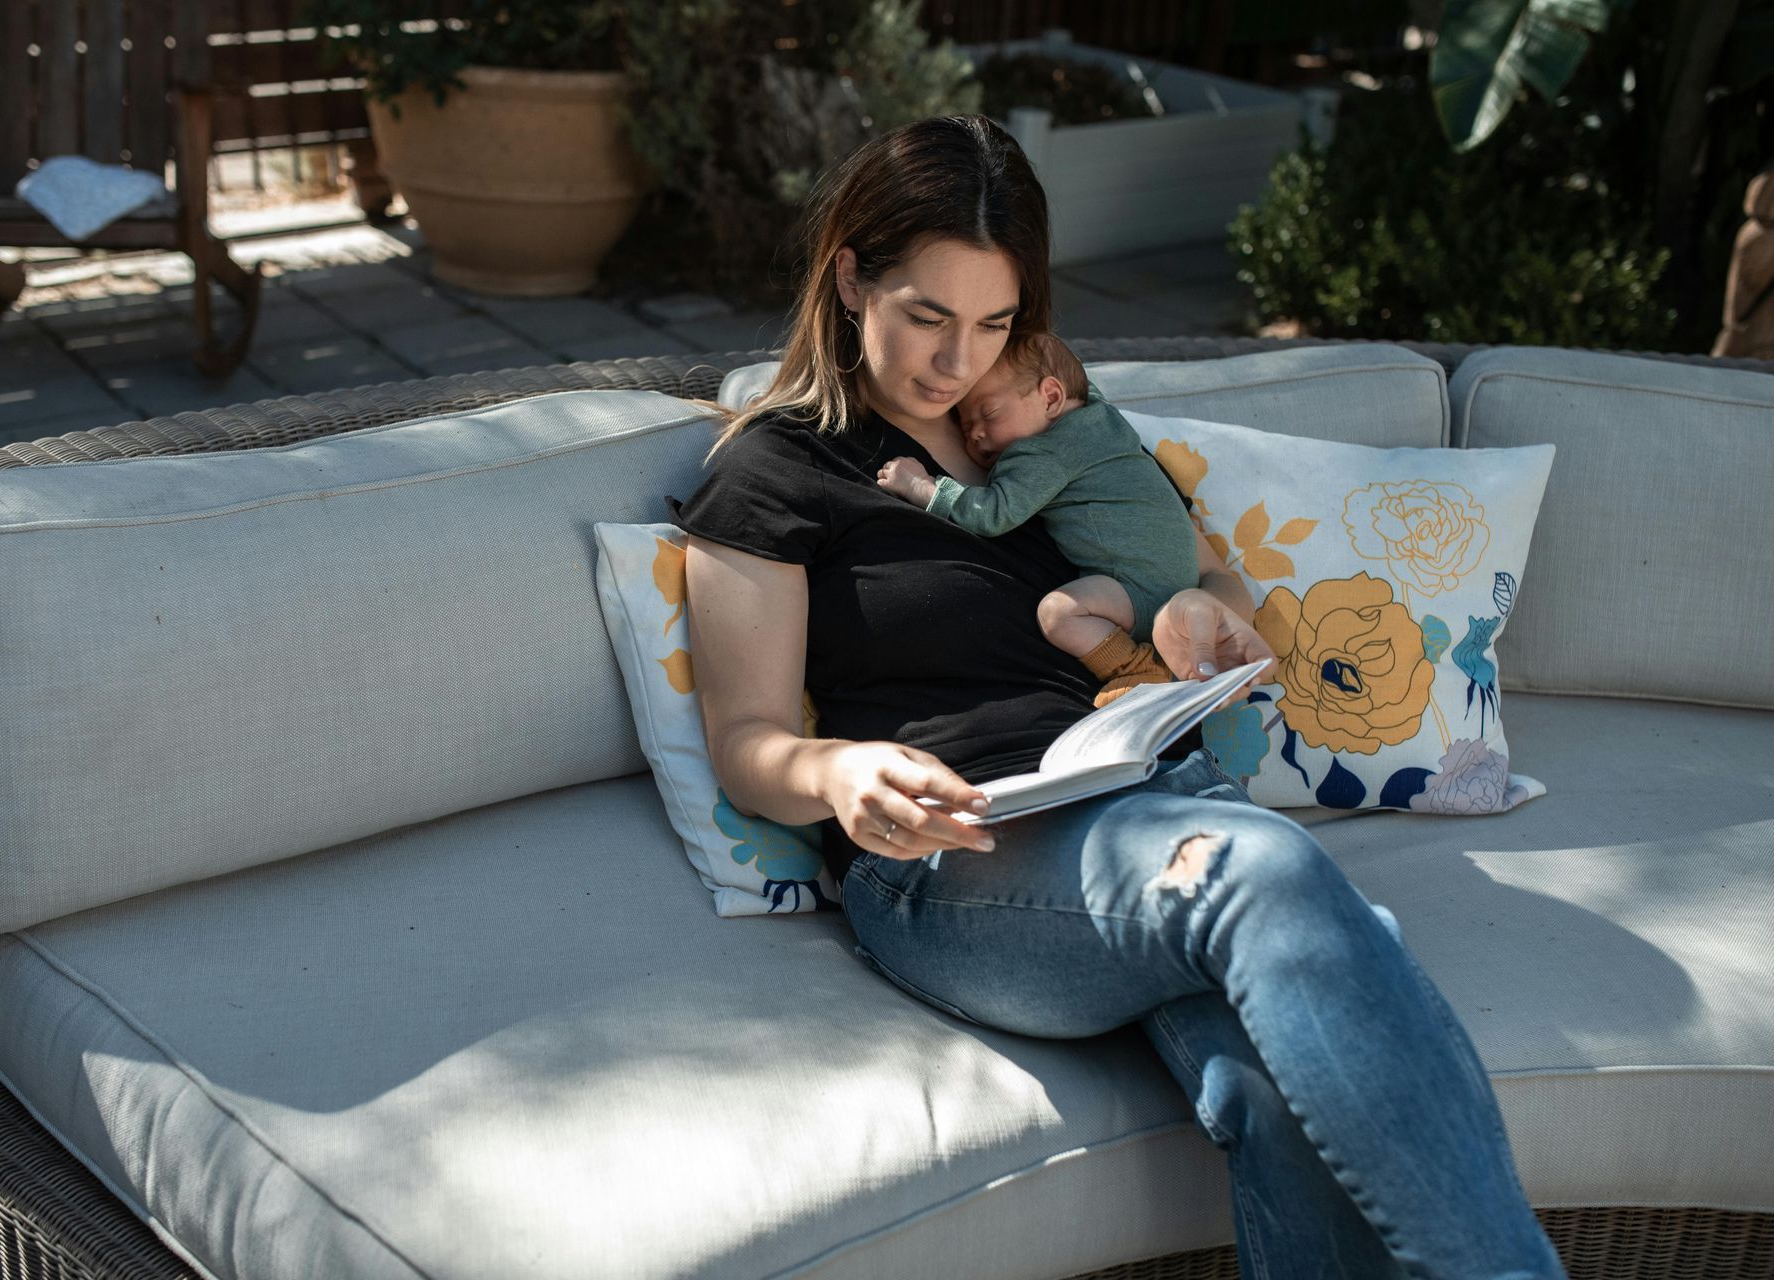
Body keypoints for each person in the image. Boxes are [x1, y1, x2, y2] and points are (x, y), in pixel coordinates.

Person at [671, 114, 1565, 1279]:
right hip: (958, 852)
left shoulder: (1050, 420)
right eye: (928, 316)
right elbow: (745, 741)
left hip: (1153, 793)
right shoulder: (777, 467)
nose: (957, 363)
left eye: (994, 323)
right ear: (850, 280)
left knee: (1278, 1073)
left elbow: (1205, 576)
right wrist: (840, 772)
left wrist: (1205, 610)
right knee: (1270, 875)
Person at [873, 330, 1196, 706]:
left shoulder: (1044, 453)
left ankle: (1136, 668)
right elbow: (1074, 379)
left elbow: (994, 513)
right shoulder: (1101, 416)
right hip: (1180, 582)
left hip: (1139, 589)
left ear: (1052, 397)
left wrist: (925, 487)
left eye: (989, 413)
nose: (975, 433)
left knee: (1058, 614)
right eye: (965, 425)